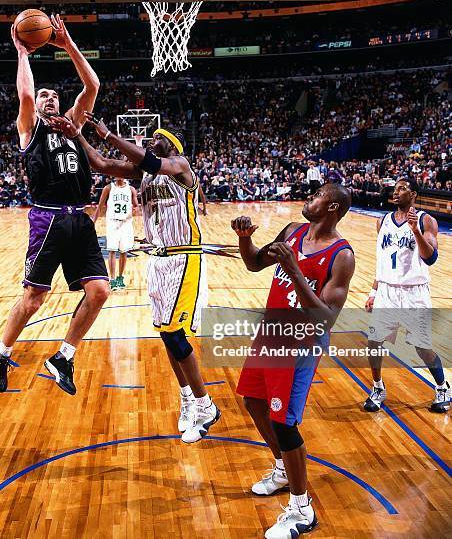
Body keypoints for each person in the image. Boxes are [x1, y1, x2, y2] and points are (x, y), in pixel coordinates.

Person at [50, 112, 219, 444]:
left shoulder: (180, 166)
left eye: (160, 137)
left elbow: (154, 162)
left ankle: (206, 405)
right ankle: (187, 400)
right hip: (157, 261)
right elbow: (100, 163)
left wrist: (109, 134)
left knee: (174, 336)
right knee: (166, 337)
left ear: (173, 144)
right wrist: (79, 136)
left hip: (184, 257)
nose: (153, 139)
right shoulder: (143, 173)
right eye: (152, 137)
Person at [0, 14, 110, 396]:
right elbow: (25, 96)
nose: (49, 98)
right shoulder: (32, 129)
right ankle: (2, 350)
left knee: (101, 291)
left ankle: (64, 356)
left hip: (81, 219)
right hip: (48, 218)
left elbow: (92, 84)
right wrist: (23, 52)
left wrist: (68, 44)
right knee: (34, 298)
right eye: (45, 96)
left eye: (54, 96)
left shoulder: (71, 124)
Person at [232, 183, 355, 539]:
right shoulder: (292, 232)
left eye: (316, 195)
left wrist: (295, 270)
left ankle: (303, 510)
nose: (308, 198)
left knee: (284, 422)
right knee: (254, 401)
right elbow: (255, 263)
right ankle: (284, 469)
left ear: (331, 207)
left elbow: (326, 319)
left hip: (301, 342)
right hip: (272, 331)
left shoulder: (341, 255)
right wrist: (244, 238)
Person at [364, 177, 450, 413]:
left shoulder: (426, 220)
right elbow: (382, 262)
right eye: (395, 188)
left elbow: (430, 258)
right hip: (388, 291)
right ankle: (378, 387)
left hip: (414, 292)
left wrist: (415, 231)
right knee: (374, 342)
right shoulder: (382, 222)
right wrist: (374, 291)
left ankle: (443, 387)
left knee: (422, 348)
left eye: (402, 188)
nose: (396, 191)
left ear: (413, 194)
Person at [92, 177, 138, 290]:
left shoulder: (131, 189)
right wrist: (93, 221)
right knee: (112, 250)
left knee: (124, 251)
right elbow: (100, 206)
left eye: (121, 173)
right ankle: (112, 279)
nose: (118, 175)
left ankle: (120, 278)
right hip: (113, 222)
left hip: (126, 223)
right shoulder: (108, 188)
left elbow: (136, 206)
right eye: (116, 173)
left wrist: (133, 211)